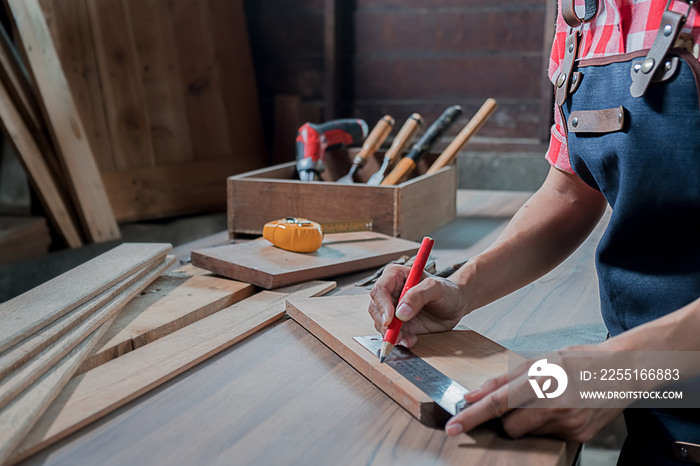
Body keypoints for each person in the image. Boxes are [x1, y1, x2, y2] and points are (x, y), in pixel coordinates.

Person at [367, 0, 700, 463]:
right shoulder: (581, 14)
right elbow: (570, 190)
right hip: (658, 411)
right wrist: (461, 287)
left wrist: (624, 367)